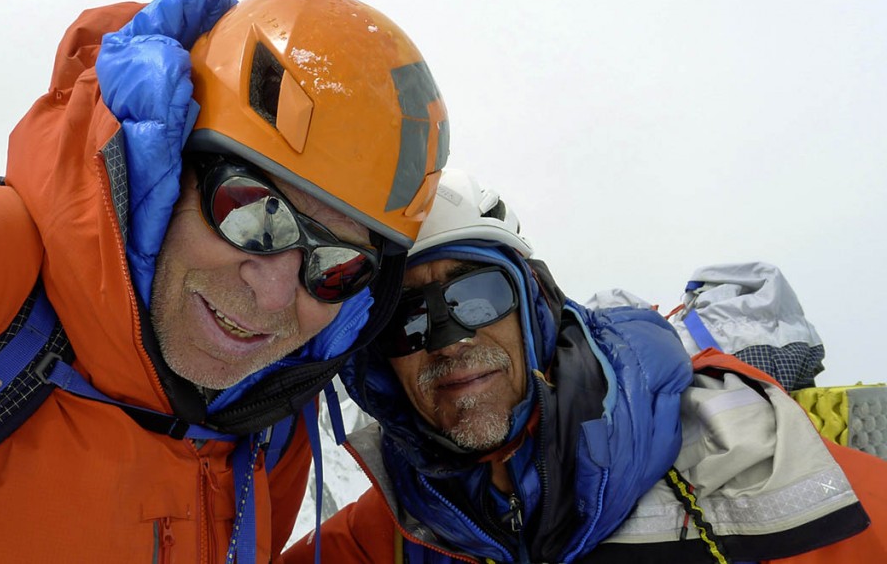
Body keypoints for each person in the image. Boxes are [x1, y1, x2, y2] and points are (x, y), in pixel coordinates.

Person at [0, 0, 449, 563]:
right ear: (166, 170)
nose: (273, 294)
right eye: (252, 212)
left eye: (336, 267)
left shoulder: (270, 432)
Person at [285, 168, 887, 563]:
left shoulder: (742, 461)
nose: (449, 341)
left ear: (535, 308)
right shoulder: (398, 527)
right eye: (407, 320)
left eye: (478, 297)